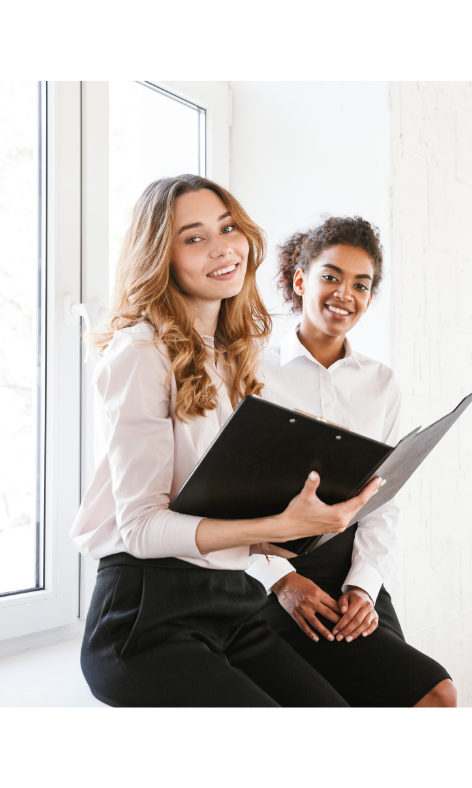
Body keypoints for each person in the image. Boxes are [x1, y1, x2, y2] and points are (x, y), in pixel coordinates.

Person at [70, 176, 383, 707]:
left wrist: (289, 527)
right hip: (149, 616)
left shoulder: (227, 355)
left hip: (232, 604)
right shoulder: (140, 352)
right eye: (193, 238)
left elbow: (204, 500)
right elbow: (142, 529)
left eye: (228, 227)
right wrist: (276, 526)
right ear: (159, 257)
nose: (223, 248)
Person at [248, 216, 457, 707]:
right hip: (270, 574)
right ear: (301, 281)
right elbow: (223, 498)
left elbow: (383, 501)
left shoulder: (380, 383)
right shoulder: (250, 369)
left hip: (352, 574)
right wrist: (279, 579)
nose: (345, 293)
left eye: (361, 285)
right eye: (331, 276)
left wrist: (363, 588)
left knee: (430, 695)